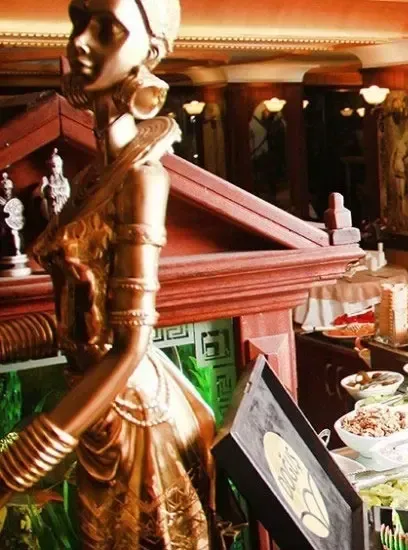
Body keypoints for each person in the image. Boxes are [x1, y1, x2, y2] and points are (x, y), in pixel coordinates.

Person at [0, 0, 225, 548]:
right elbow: (80, 318)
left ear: (149, 53)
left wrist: (26, 455)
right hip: (97, 410)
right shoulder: (94, 173)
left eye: (106, 29)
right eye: (80, 21)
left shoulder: (143, 179)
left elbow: (129, 345)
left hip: (134, 418)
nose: (80, 41)